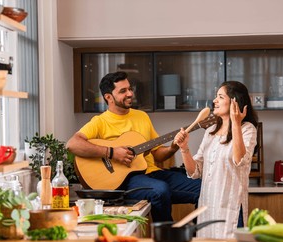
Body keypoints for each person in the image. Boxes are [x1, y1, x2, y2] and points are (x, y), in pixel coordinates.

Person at [66, 71, 201, 222]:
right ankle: (166, 236)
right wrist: (112, 152)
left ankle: (201, 235)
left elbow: (158, 154)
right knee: (159, 190)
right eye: (123, 91)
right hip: (126, 181)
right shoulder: (100, 122)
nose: (130, 93)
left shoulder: (142, 116)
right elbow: (73, 144)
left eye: (130, 89)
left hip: (153, 174)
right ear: (108, 97)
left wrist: (174, 147)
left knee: (203, 187)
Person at [173, 81, 258, 239]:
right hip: (207, 206)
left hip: (231, 207)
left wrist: (236, 123)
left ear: (234, 102)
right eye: (216, 96)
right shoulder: (211, 131)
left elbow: (240, 160)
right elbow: (195, 172)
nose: (214, 101)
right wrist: (184, 148)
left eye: (220, 96)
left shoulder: (247, 129)